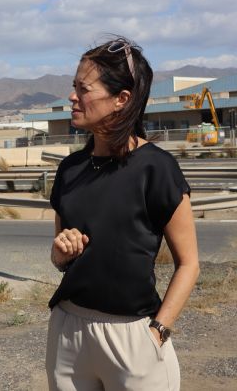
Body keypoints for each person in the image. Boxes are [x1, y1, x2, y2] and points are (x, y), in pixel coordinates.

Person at [45, 37, 200, 391]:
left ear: (122, 99)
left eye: (83, 89)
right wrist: (59, 254)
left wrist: (159, 330)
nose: (72, 97)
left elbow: (189, 263)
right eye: (74, 87)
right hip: (69, 330)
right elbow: (61, 259)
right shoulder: (69, 169)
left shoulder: (157, 168)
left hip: (134, 337)